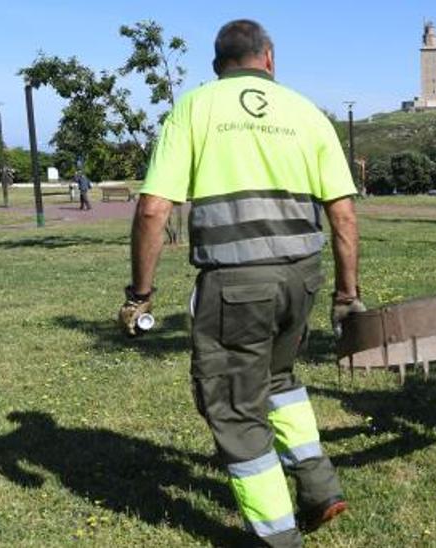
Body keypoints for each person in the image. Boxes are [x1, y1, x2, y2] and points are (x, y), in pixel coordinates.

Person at [118, 19, 363, 547]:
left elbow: (154, 209)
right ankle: (320, 488)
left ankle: (276, 536)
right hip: (302, 278)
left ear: (217, 65)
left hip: (235, 284)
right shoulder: (307, 113)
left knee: (233, 404)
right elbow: (342, 215)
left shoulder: (194, 107)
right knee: (278, 379)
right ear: (269, 59)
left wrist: (140, 294)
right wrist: (347, 295)